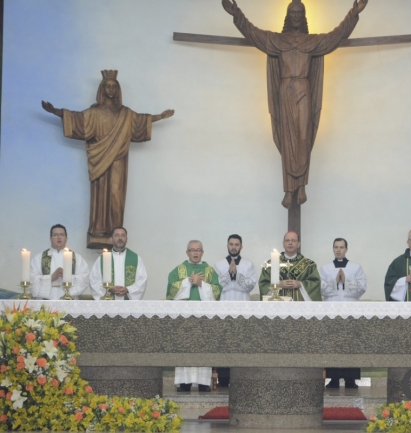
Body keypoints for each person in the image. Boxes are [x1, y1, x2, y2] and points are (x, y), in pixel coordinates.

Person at [221, 0, 368, 209]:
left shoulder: (312, 42)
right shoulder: (276, 40)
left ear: (304, 16)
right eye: (293, 13)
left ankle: (302, 186)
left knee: (303, 138)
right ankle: (289, 189)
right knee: (288, 140)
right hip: (285, 92)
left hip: (304, 90)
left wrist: (353, 13)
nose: (297, 17)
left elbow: (336, 36)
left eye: (300, 13)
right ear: (288, 17)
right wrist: (236, 13)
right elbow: (252, 33)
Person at [41, 70, 174, 248]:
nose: (111, 90)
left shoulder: (125, 114)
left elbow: (140, 121)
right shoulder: (94, 113)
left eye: (114, 87)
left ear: (118, 90)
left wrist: (160, 117)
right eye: (108, 87)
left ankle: (115, 232)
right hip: (99, 159)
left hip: (119, 158)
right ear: (102, 89)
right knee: (101, 193)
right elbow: (77, 120)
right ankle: (99, 230)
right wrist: (56, 111)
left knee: (116, 193)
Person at [167, 240, 222, 392]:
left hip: (204, 317)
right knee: (185, 348)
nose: (195, 253)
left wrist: (201, 284)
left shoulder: (210, 271)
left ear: (202, 252)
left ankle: (203, 382)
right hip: (184, 317)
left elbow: (217, 292)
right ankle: (184, 382)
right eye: (192, 250)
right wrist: (188, 281)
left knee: (203, 347)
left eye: (198, 250)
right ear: (187, 253)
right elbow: (171, 291)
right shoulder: (178, 270)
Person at [319, 238, 367, 389]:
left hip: (350, 309)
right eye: (336, 247)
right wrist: (334, 282)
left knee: (350, 344)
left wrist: (346, 281)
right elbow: (320, 289)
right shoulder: (325, 268)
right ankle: (333, 378)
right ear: (333, 249)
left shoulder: (356, 267)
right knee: (332, 344)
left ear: (346, 249)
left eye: (341, 247)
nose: (339, 250)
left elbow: (362, 287)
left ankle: (350, 379)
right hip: (331, 309)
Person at [213, 234, 258, 387]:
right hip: (224, 305)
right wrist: (229, 273)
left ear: (241, 246)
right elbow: (216, 286)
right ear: (227, 246)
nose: (234, 247)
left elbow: (250, 286)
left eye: (236, 244)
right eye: (231, 244)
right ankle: (224, 378)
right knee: (225, 342)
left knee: (242, 342)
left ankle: (241, 378)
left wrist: (236, 275)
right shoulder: (218, 265)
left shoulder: (248, 264)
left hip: (242, 305)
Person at [30, 224, 89, 299]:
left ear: (66, 238)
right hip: (46, 301)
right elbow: (31, 279)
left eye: (62, 234)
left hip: (69, 299)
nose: (59, 237)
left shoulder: (77, 258)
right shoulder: (39, 258)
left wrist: (67, 277)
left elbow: (84, 279)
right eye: (55, 235)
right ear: (50, 238)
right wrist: (50, 278)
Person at [259, 231, 321, 301]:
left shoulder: (309, 265)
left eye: (293, 240)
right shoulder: (271, 264)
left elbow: (315, 283)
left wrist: (300, 284)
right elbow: (263, 284)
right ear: (283, 244)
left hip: (300, 307)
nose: (290, 243)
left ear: (298, 244)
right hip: (278, 306)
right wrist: (278, 284)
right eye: (287, 240)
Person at [89, 227, 147, 300]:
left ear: (127, 239)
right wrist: (109, 289)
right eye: (116, 235)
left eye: (123, 235)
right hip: (108, 305)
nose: (120, 238)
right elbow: (94, 280)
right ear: (111, 239)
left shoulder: (136, 258)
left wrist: (128, 289)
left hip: (128, 306)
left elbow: (142, 281)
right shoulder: (102, 259)